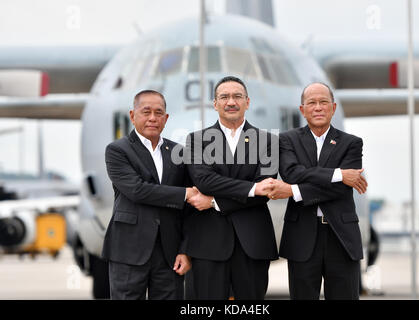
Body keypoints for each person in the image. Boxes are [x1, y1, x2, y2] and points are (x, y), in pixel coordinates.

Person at [267, 82, 368, 300]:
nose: (318, 107)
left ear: (333, 107)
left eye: (323, 102)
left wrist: (294, 191)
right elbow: (292, 173)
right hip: (302, 236)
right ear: (302, 110)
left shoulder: (352, 143)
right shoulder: (286, 140)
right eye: (311, 103)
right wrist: (340, 174)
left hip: (341, 237)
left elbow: (340, 191)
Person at [184, 76, 278, 300]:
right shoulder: (197, 140)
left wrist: (214, 201)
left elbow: (266, 189)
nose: (231, 101)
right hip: (207, 244)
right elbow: (204, 181)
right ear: (215, 103)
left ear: (248, 101)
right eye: (224, 97)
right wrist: (252, 188)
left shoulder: (268, 141)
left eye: (237, 96)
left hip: (252, 244)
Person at [102, 89, 197, 300]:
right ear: (132, 115)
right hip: (128, 250)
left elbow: (190, 211)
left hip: (170, 253)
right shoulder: (117, 150)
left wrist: (186, 249)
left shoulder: (179, 152)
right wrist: (184, 194)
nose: (153, 118)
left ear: (166, 118)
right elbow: (137, 190)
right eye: (146, 112)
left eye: (158, 112)